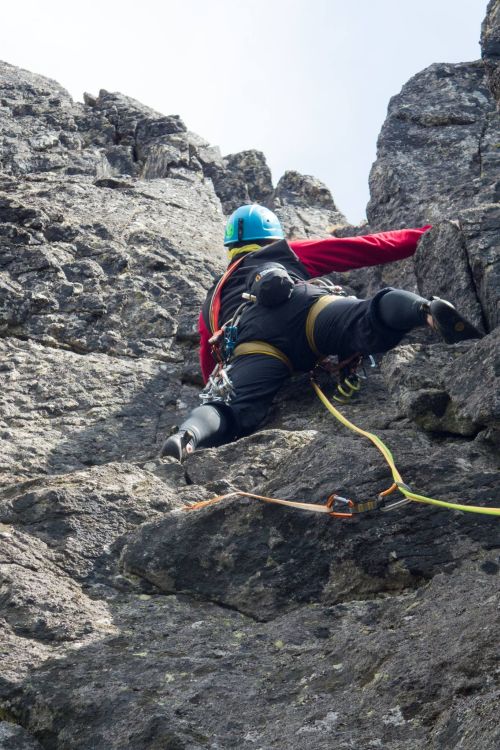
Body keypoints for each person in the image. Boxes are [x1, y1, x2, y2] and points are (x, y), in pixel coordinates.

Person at [161, 204, 482, 462]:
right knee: (368, 315)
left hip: (255, 344)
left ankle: (188, 435)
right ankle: (424, 310)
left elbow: (209, 360)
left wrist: (224, 389)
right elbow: (366, 248)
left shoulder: (213, 299)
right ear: (273, 236)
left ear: (230, 246)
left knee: (230, 408)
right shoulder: (284, 253)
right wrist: (428, 234)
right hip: (307, 308)